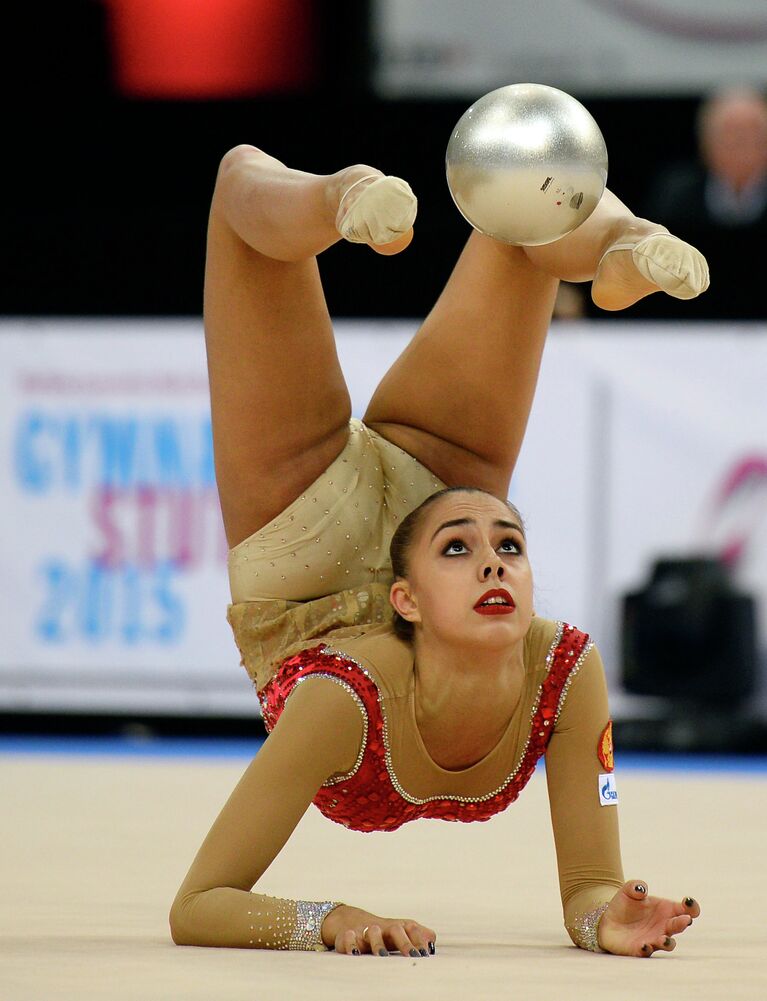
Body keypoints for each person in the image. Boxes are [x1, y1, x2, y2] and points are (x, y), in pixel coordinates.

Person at [168, 142, 708, 958]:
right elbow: (198, 904)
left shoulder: (338, 701)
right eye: (489, 545)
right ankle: (612, 241)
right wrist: (337, 916)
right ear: (406, 594)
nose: (495, 560)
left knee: (240, 193)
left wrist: (608, 916)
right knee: (523, 204)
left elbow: (201, 905)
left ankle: (609, 242)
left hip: (299, 539)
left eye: (504, 547)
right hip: (436, 483)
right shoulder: (563, 666)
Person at [640, 86, 767, 320]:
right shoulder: (676, 195)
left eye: (753, 132)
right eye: (731, 133)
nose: (742, 142)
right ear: (706, 142)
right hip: (688, 322)